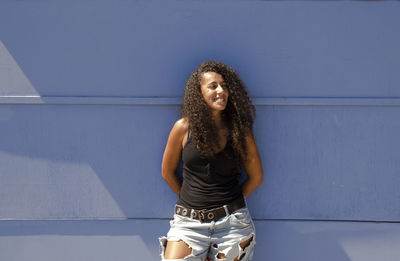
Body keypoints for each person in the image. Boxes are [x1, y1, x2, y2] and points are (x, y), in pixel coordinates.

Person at [159, 61, 263, 261]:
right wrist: (192, 199)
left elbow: (256, 176)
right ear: (199, 92)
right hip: (188, 225)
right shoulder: (182, 128)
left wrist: (229, 203)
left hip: (232, 224)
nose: (221, 91)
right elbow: (167, 172)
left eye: (224, 86)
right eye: (213, 86)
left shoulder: (240, 131)